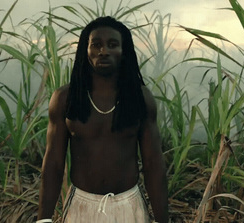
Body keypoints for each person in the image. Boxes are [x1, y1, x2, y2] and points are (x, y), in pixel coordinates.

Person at [37, 16, 169, 223]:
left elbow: (153, 164)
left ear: (124, 51)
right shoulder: (66, 98)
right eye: (96, 44)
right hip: (81, 206)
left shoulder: (140, 98)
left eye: (112, 44)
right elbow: (53, 163)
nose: (104, 51)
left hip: (129, 205)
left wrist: (163, 220)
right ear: (85, 51)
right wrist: (43, 219)